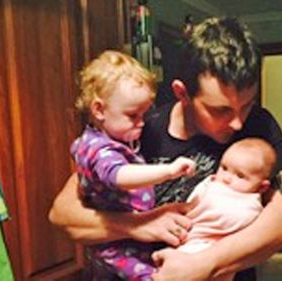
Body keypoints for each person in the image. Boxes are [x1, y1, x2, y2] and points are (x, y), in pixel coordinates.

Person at [49, 17, 282, 280]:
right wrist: (139, 225)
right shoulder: (137, 129)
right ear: (182, 93)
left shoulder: (259, 124)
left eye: (247, 104)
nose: (238, 122)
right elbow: (63, 214)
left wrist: (204, 265)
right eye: (220, 109)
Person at [70, 50, 196, 280]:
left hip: (130, 241)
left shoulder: (114, 138)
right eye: (132, 115)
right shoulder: (98, 148)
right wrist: (168, 171)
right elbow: (117, 175)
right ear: (99, 110)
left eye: (144, 114)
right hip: (115, 247)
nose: (141, 123)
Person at [164, 138, 276, 281]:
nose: (227, 178)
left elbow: (247, 225)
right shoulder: (210, 183)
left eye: (240, 175)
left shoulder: (251, 203)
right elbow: (191, 205)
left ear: (262, 187)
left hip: (220, 253)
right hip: (189, 241)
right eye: (224, 167)